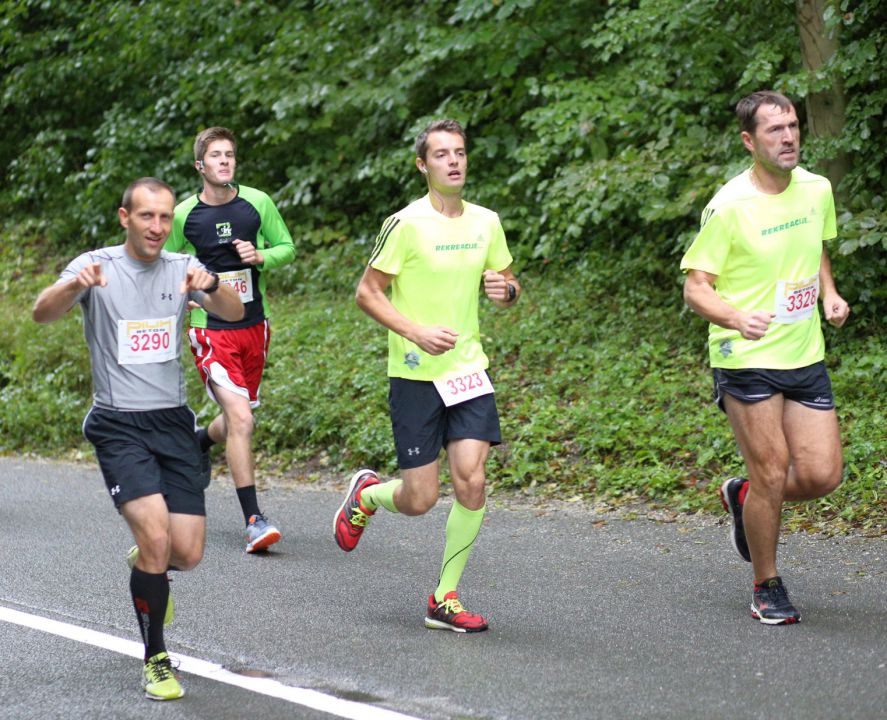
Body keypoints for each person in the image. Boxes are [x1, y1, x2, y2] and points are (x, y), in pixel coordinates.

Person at [32, 177, 244, 700]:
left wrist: (212, 286)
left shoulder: (181, 268)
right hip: (119, 422)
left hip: (173, 422)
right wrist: (72, 285)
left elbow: (235, 312)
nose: (157, 227)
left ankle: (149, 569)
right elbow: (42, 312)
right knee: (155, 538)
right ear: (125, 217)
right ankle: (156, 658)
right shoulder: (97, 266)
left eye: (165, 218)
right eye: (147, 216)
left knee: (187, 553)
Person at [333, 119, 521, 633]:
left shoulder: (487, 221)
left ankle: (445, 596)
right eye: (442, 155)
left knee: (472, 480)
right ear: (423, 165)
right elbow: (367, 293)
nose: (454, 161)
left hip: (468, 370)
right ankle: (368, 495)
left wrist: (506, 291)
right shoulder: (406, 224)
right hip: (416, 375)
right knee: (419, 499)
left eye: (459, 152)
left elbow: (507, 282)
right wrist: (414, 331)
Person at [681, 91, 850, 625]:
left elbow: (815, 243)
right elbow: (695, 288)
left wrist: (829, 292)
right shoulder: (729, 206)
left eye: (794, 126)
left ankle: (743, 496)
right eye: (775, 130)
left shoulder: (816, 189)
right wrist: (734, 317)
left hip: (803, 351)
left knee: (823, 474)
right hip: (745, 354)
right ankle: (766, 584)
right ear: (749, 141)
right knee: (773, 472)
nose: (789, 137)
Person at [165, 127, 295, 553]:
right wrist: (179, 293)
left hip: (255, 326)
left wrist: (262, 256)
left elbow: (287, 247)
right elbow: (164, 262)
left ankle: (201, 440)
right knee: (242, 419)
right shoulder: (184, 214)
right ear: (200, 166)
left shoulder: (257, 203)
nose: (225, 162)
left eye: (230, 155)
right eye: (216, 156)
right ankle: (254, 520)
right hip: (209, 327)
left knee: (239, 417)